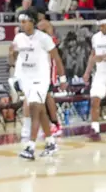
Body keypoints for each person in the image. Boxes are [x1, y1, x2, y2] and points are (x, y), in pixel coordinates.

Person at [9, 10, 66, 161]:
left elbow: (57, 58)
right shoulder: (18, 38)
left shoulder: (44, 38)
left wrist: (62, 78)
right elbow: (14, 59)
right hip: (25, 78)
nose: (22, 24)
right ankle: (50, 142)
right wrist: (11, 56)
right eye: (20, 22)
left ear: (32, 22)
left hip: (40, 78)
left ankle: (30, 146)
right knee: (40, 111)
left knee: (34, 108)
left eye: (25, 21)